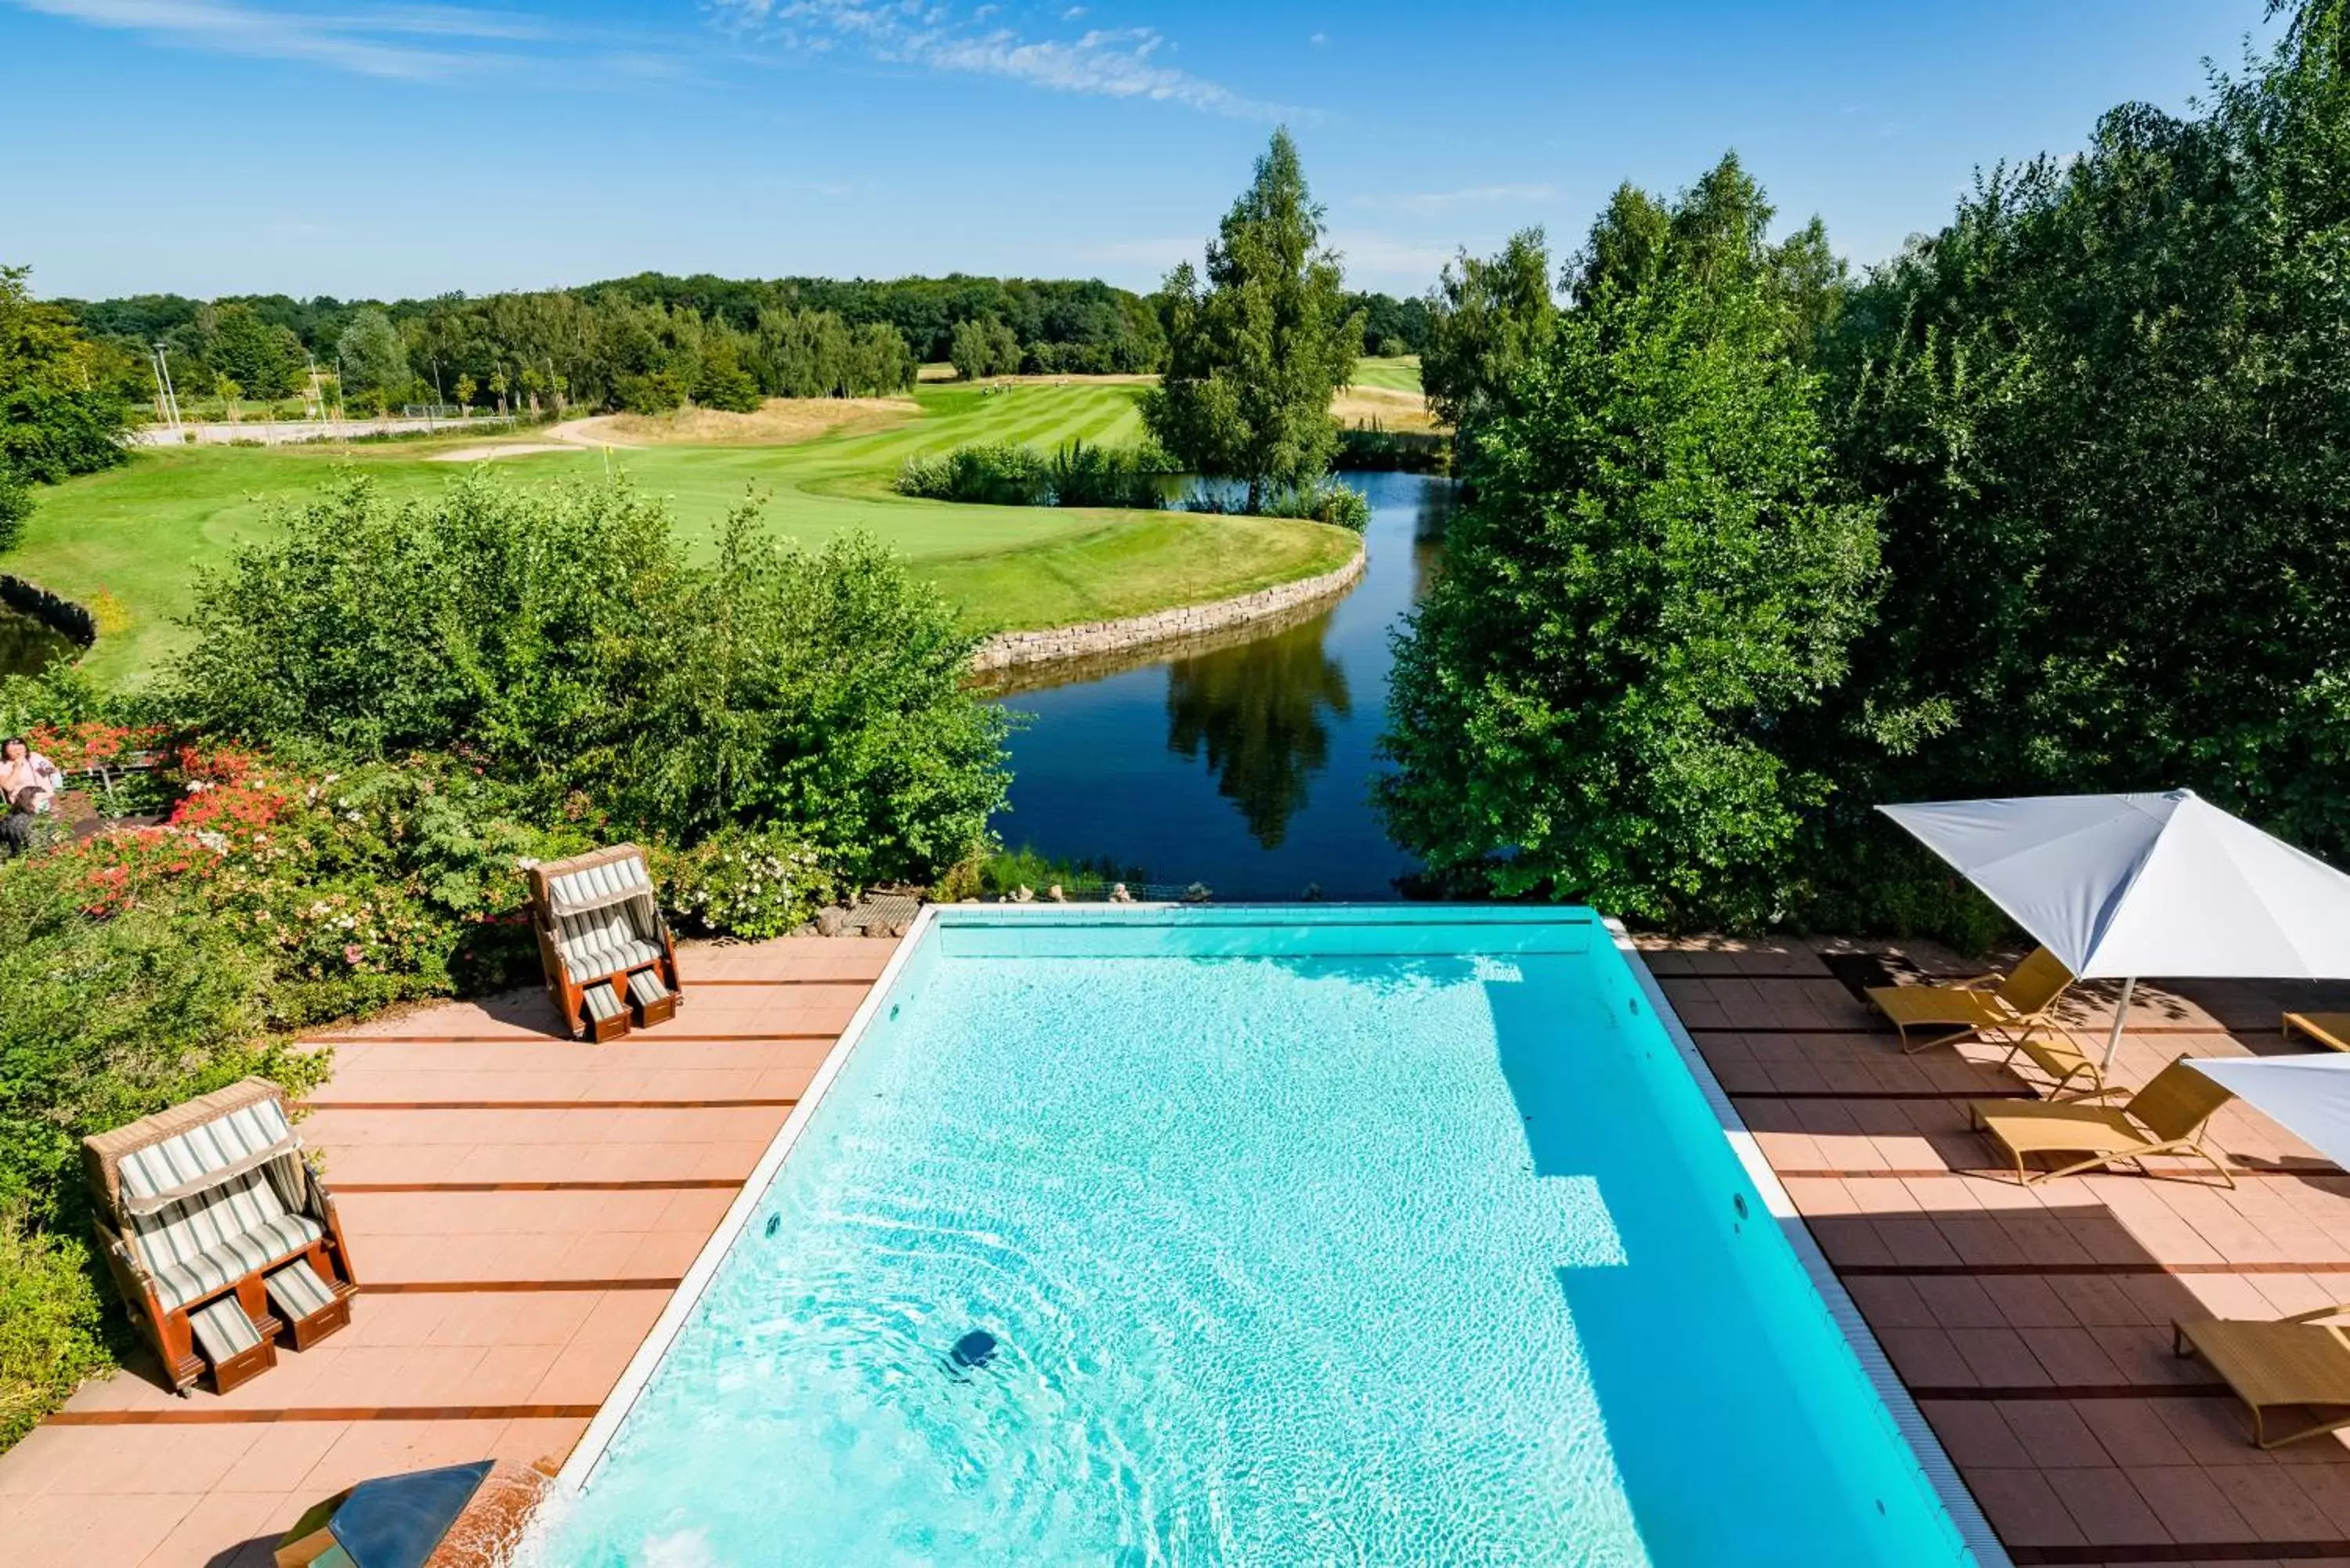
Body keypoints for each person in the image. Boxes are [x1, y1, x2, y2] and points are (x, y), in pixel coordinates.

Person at [0, 735, 63, 814]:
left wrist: (51, 770)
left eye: (21, 749)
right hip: (26, 804)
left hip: (49, 799)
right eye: (13, 750)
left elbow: (53, 770)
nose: (18, 752)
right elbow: (8, 787)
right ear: (5, 752)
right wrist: (17, 768)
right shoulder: (3, 765)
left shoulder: (35, 756)